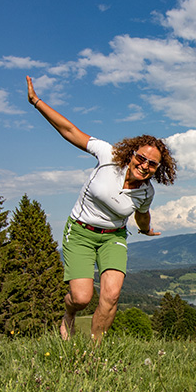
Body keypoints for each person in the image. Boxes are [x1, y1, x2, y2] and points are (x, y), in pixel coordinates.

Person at [26, 76, 176, 343]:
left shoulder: (146, 191)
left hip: (113, 237)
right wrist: (37, 102)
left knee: (112, 294)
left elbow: (142, 214)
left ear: (158, 169)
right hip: (81, 232)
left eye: (152, 164)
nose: (144, 165)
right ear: (132, 154)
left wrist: (145, 229)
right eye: (141, 158)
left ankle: (95, 352)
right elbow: (71, 131)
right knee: (81, 298)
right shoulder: (108, 155)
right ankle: (68, 313)